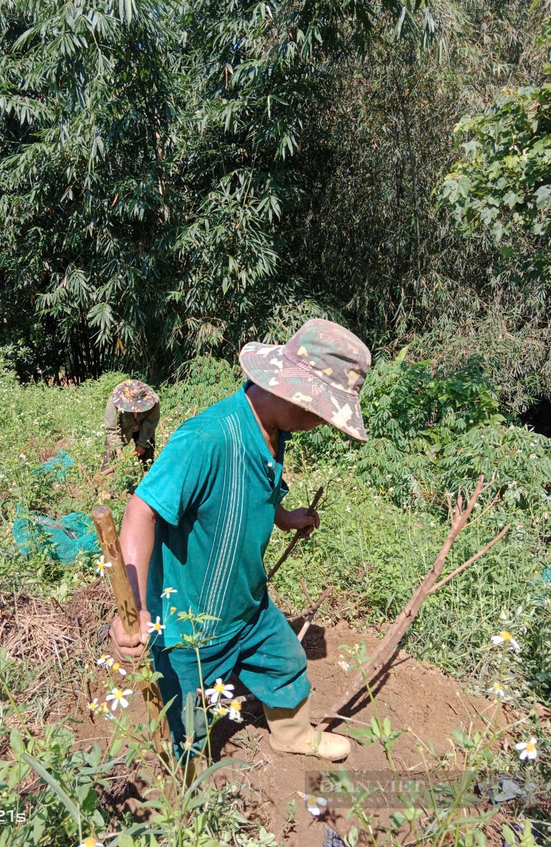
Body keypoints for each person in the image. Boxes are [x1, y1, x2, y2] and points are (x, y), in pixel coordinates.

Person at [109, 320, 371, 762]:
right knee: (186, 725)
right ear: (289, 391)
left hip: (249, 605)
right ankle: (184, 782)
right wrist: (135, 608)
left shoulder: (273, 433)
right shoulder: (208, 438)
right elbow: (141, 511)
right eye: (320, 412)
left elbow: (256, 497)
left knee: (286, 663)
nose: (321, 424)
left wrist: (287, 519)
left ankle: (292, 735)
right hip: (195, 624)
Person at [102, 380, 160, 473]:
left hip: (142, 427)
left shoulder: (153, 401)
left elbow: (150, 423)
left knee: (147, 455)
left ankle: (146, 478)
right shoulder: (114, 401)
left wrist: (142, 443)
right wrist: (118, 450)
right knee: (110, 452)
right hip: (122, 428)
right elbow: (112, 428)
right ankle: (105, 478)